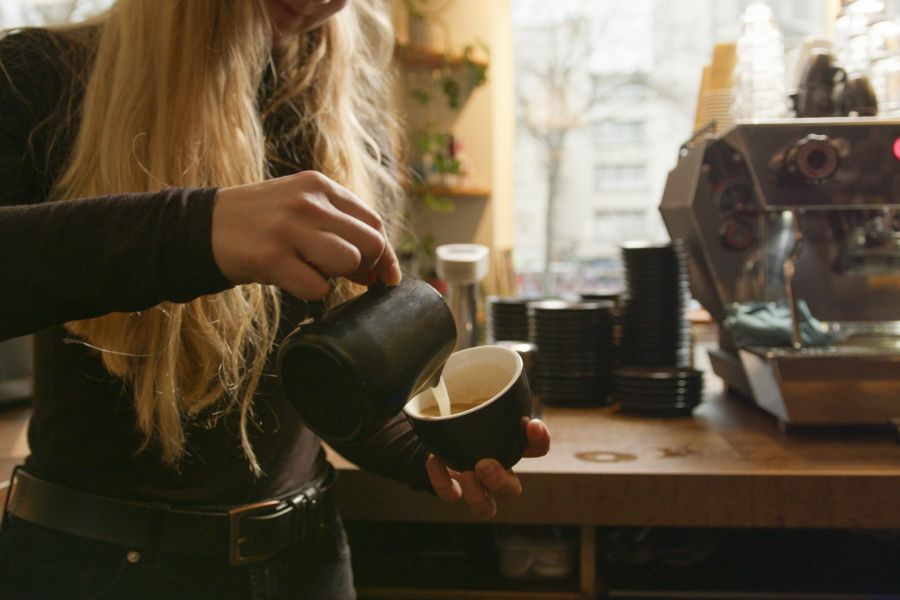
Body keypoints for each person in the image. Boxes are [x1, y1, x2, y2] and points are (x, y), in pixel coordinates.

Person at [0, 1, 551, 598]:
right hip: (93, 570)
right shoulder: (36, 74)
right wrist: (195, 229)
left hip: (306, 566)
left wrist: (427, 447)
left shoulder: (335, 112)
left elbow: (320, 384)